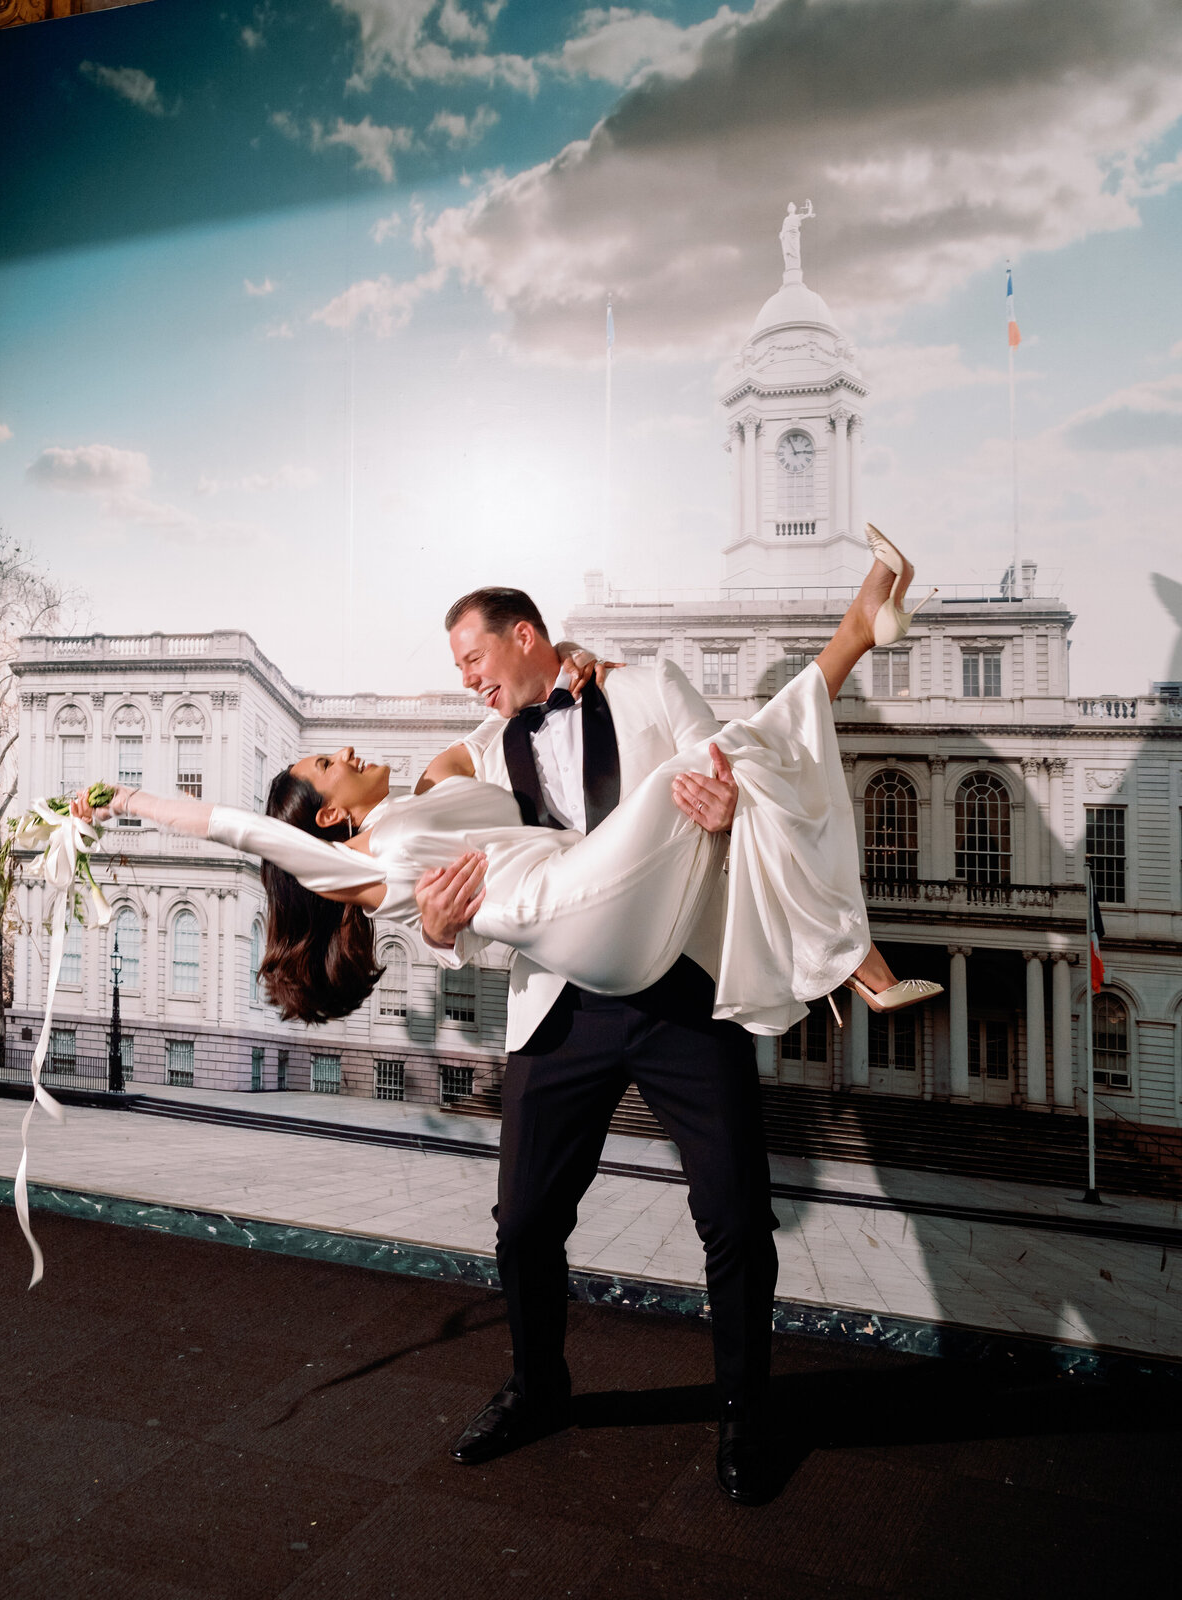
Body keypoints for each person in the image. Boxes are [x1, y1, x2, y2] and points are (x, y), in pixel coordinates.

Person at [77, 526, 938, 1503]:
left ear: (526, 634)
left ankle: (747, 1413)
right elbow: (432, 874)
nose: (467, 683)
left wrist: (725, 808)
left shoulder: (652, 687)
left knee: (736, 1216)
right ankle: (537, 1388)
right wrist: (438, 931)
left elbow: (733, 792)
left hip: (681, 987)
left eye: (475, 659)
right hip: (560, 1000)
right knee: (524, 1222)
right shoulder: (480, 753)